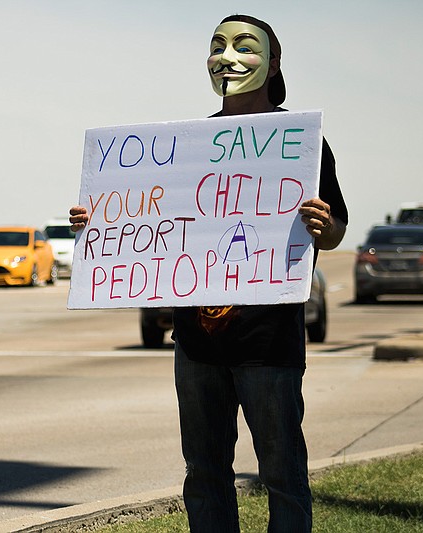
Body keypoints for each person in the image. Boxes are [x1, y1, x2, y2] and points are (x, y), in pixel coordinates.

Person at [69, 14, 348, 532]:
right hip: (195, 344)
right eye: (217, 45)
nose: (228, 57)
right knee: (204, 473)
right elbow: (147, 215)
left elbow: (335, 232)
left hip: (269, 345)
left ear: (274, 62)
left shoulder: (302, 140)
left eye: (245, 46)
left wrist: (324, 224)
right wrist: (98, 219)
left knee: (283, 472)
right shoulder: (188, 145)